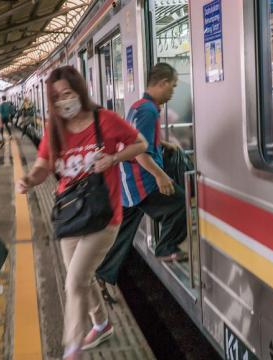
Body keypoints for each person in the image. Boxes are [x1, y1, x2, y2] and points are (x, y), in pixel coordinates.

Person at [15, 66, 147, 360]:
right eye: (57, 97)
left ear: (80, 92)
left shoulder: (105, 121)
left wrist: (113, 158)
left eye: (68, 94)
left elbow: (141, 144)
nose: (63, 101)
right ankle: (101, 324)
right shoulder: (54, 128)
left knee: (74, 281)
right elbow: (43, 164)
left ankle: (71, 348)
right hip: (70, 214)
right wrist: (29, 179)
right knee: (82, 278)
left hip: (104, 216)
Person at [95, 63, 189, 289]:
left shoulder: (139, 106)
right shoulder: (148, 111)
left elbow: (135, 138)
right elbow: (140, 153)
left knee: (124, 232)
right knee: (179, 203)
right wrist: (161, 176)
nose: (172, 92)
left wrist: (162, 143)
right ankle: (166, 248)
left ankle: (103, 272)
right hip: (141, 181)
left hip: (128, 181)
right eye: (172, 87)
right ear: (162, 83)